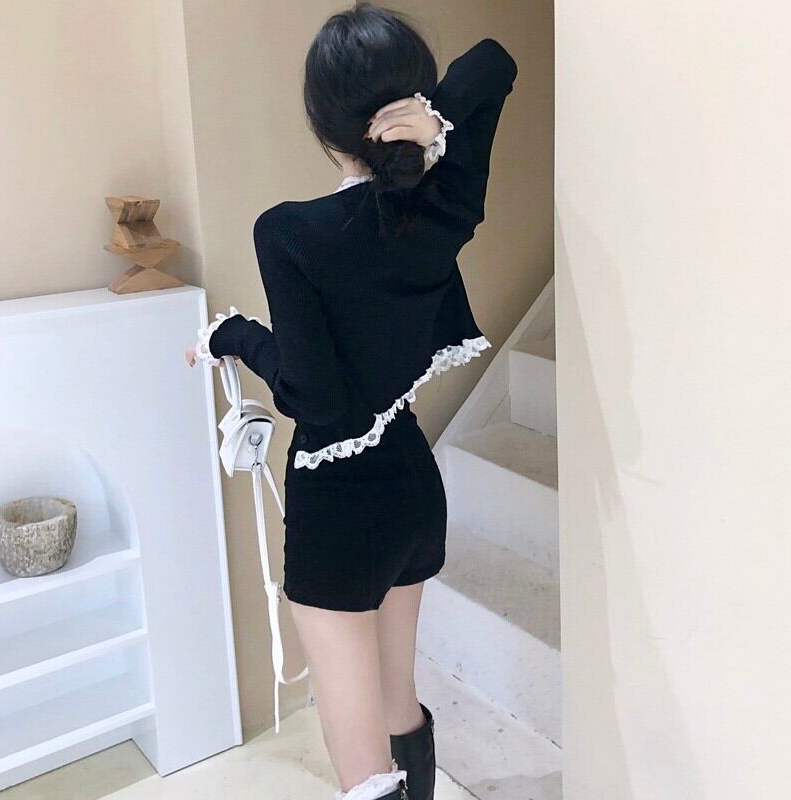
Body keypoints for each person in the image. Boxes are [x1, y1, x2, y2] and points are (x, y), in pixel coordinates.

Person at [188, 4, 517, 799]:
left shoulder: (289, 233)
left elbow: (315, 399)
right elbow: (494, 61)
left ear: (321, 123)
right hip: (411, 483)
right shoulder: (440, 207)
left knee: (361, 761)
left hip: (338, 509)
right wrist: (433, 122)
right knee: (398, 701)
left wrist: (235, 334)